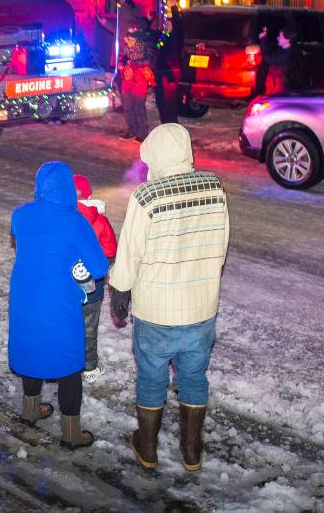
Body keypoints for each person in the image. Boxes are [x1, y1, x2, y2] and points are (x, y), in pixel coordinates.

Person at [108, 123, 230, 472]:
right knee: (194, 377)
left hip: (156, 311)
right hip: (200, 307)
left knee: (151, 377)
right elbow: (220, 248)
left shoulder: (147, 197)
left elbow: (130, 252)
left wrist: (121, 290)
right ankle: (191, 450)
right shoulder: (215, 189)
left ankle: (147, 448)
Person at [8, 161, 109, 449]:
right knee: (69, 362)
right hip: (59, 299)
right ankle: (71, 432)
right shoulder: (75, 221)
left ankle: (30, 410)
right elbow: (99, 266)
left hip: (25, 294)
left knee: (31, 346)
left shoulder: (21, 215)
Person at [73, 174, 118, 382]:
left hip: (67, 283)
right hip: (93, 284)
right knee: (89, 325)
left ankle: (67, 364)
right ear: (89, 194)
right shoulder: (100, 220)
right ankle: (89, 368)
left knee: (67, 322)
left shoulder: (65, 218)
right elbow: (110, 249)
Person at [119, 29, 156, 141]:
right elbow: (121, 59)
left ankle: (143, 133)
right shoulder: (126, 50)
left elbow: (147, 61)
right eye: (127, 39)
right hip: (127, 80)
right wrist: (121, 63)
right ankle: (132, 130)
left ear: (136, 40)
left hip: (140, 81)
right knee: (127, 107)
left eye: (130, 39)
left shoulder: (144, 49)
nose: (127, 41)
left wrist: (134, 63)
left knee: (138, 107)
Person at [154, 7, 181, 124]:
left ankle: (172, 123)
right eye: (166, 24)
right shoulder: (164, 37)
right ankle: (164, 122)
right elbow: (158, 46)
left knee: (170, 100)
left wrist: (174, 9)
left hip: (170, 71)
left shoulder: (176, 37)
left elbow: (178, 25)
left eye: (170, 24)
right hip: (160, 71)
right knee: (160, 100)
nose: (167, 26)